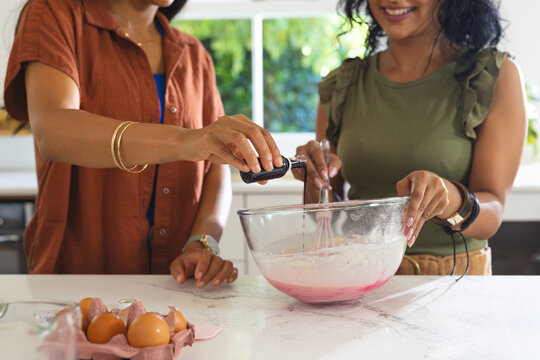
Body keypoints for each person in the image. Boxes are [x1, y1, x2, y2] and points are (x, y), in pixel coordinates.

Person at [3, 0, 283, 286]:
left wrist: (201, 243)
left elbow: (215, 167)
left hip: (176, 291)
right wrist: (185, 140)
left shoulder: (194, 55)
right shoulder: (55, 13)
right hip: (76, 287)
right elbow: (52, 131)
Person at [295, 0, 526, 275]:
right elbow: (326, 215)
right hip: (361, 277)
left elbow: (494, 211)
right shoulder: (343, 85)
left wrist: (450, 198)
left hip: (453, 283)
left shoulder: (492, 77)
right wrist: (314, 178)